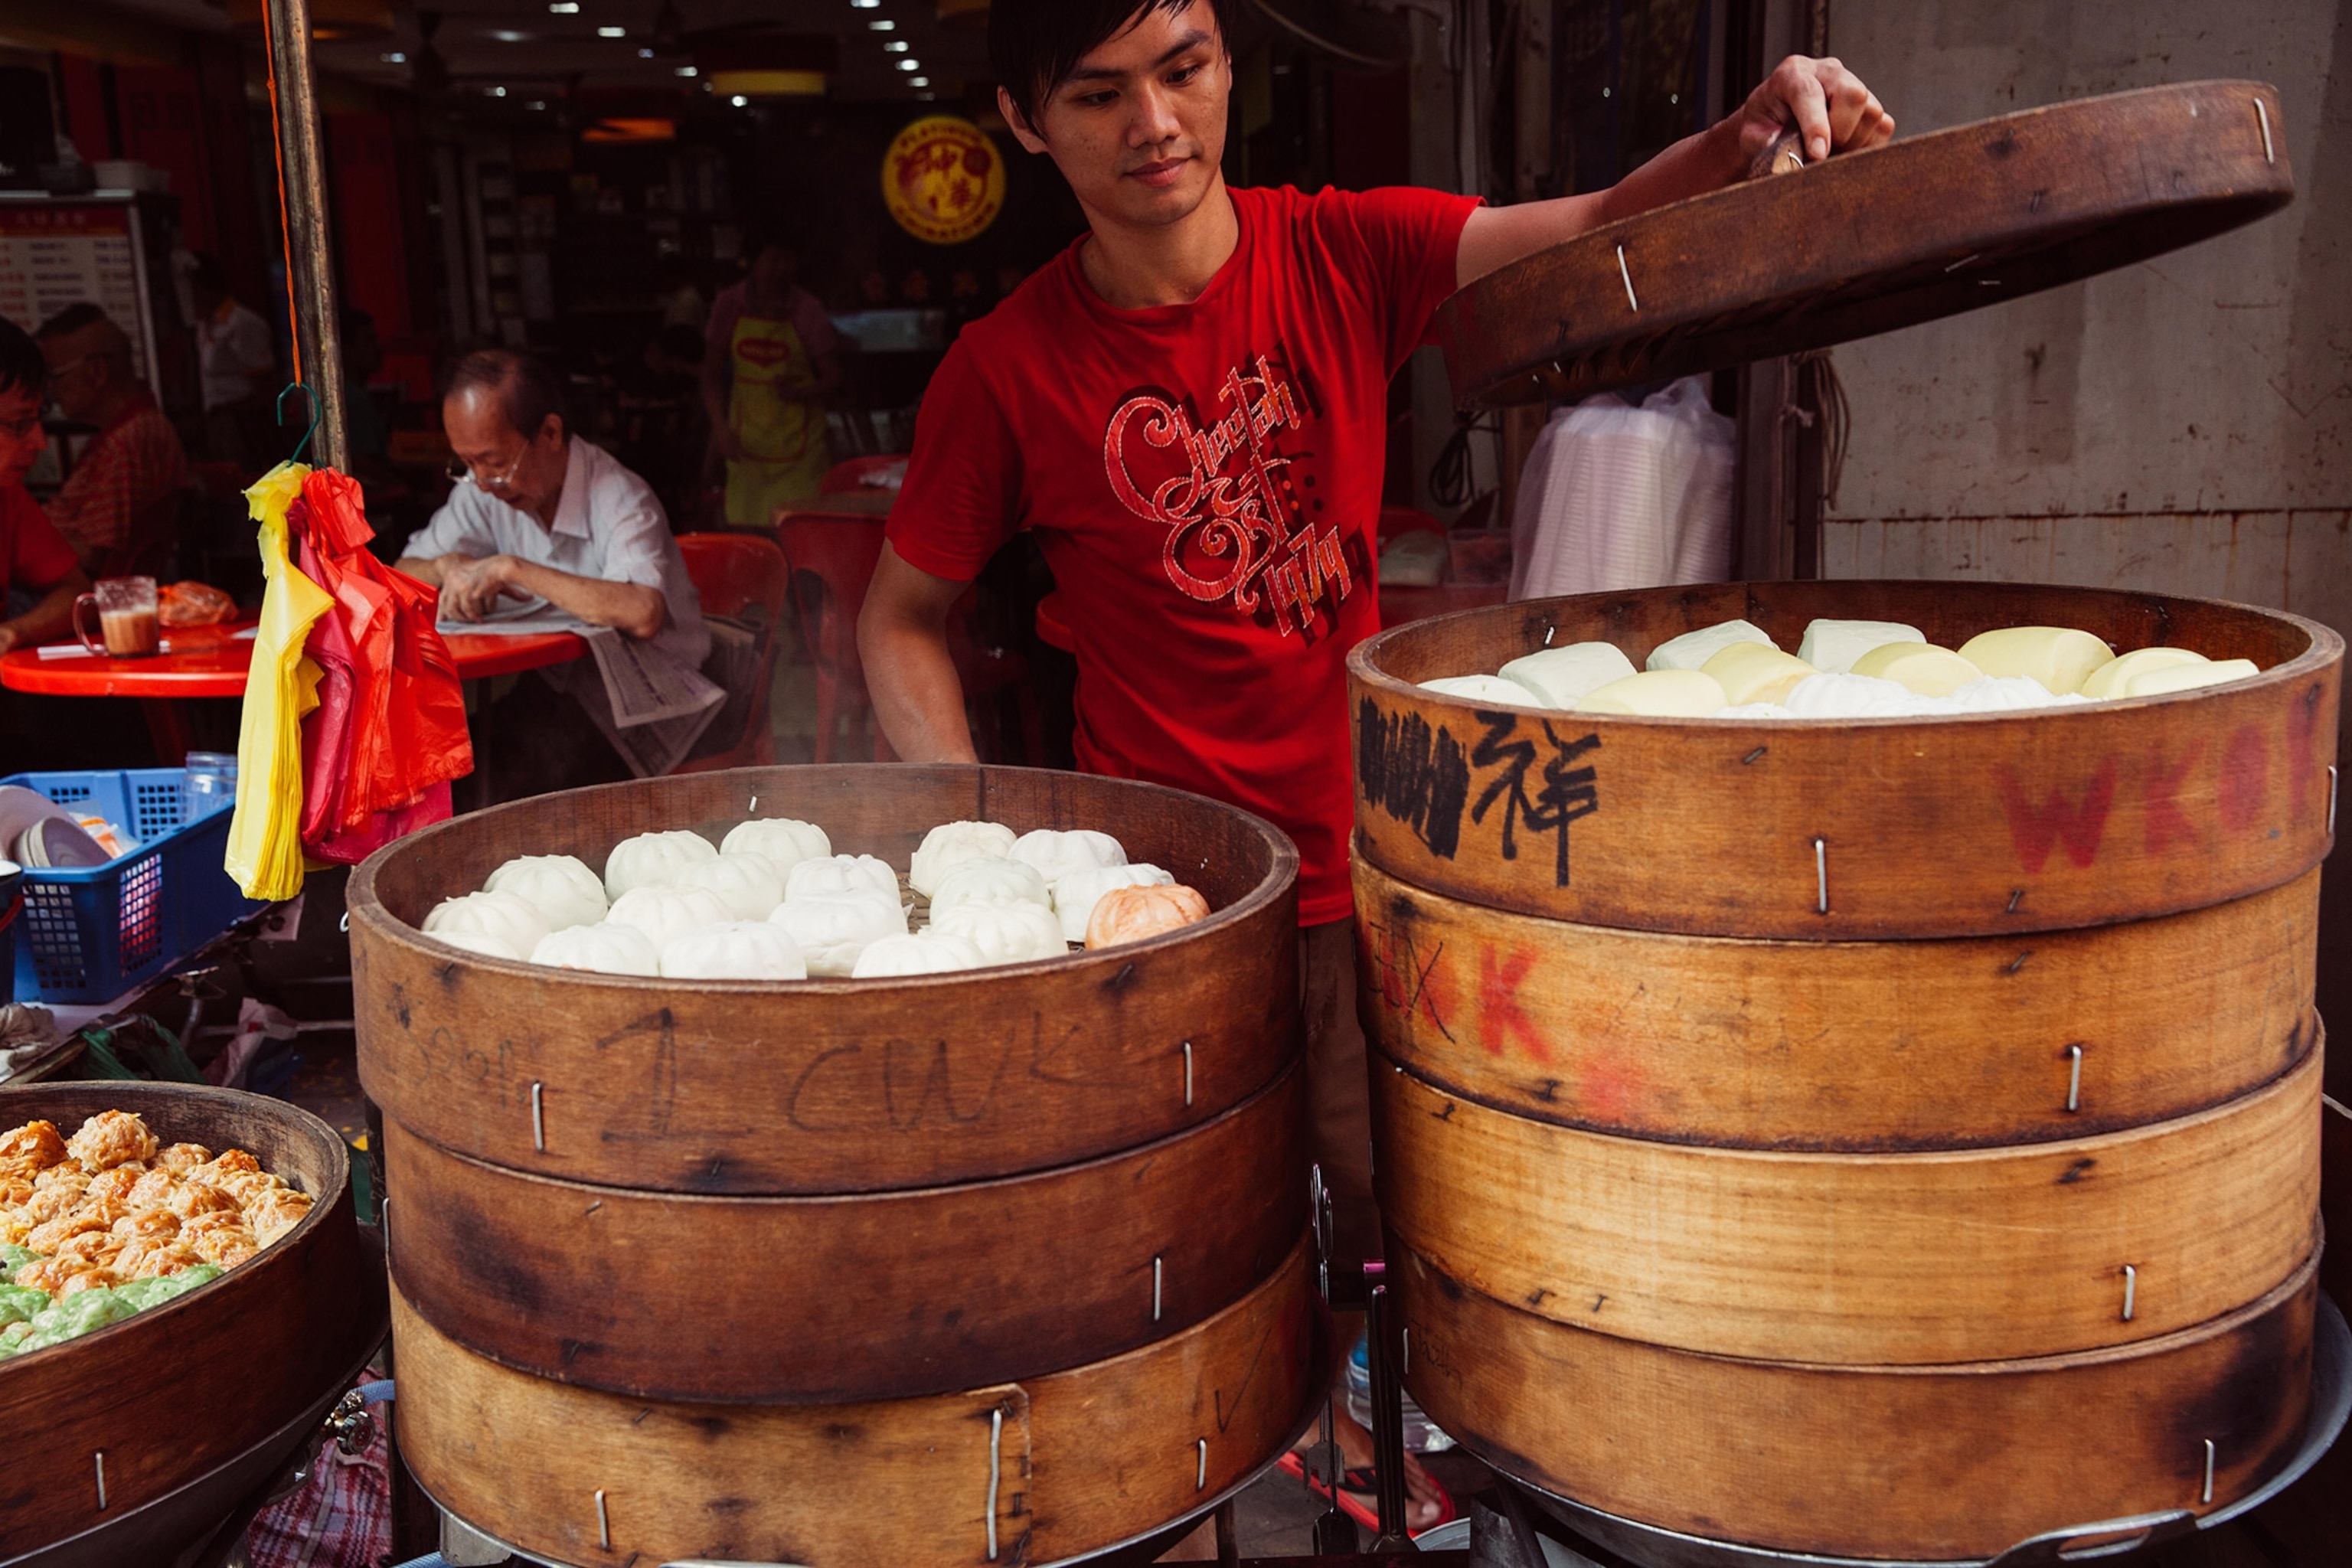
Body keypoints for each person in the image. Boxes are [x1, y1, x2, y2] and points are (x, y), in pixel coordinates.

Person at [858, 0, 1893, 1533]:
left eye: (1185, 70)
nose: (1156, 123)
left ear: (1225, 67)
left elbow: (1601, 222)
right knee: (1182, 1266)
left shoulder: (1338, 249)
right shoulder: (1009, 370)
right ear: (1026, 121)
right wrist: (971, 844)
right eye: (1098, 93)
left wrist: (1747, 135)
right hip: (1169, 921)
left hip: (1383, 873)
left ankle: (1417, 1474)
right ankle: (1221, 1493)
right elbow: (900, 619)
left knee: (1435, 1232)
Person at [397, 349, 710, 803]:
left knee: (512, 792)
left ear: (549, 433)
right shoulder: (485, 489)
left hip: (653, 700)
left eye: (496, 463)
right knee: (440, 769)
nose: (483, 483)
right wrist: (446, 567)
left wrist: (510, 567)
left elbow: (642, 612)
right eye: (469, 464)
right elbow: (401, 572)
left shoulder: (620, 497)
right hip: (556, 687)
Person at [701, 232, 842, 528]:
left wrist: (802, 392)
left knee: (800, 532)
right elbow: (710, 376)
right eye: (774, 259)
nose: (782, 268)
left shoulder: (807, 309)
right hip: (747, 448)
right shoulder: (730, 304)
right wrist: (720, 429)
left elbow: (833, 377)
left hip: (801, 454)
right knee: (749, 538)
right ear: (754, 262)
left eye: (789, 260)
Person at [36, 303, 190, 574]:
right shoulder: (138, 429)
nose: (51, 390)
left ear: (96, 371)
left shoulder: (125, 443)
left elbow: (95, 554)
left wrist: (19, 545)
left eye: (55, 376)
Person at [0, 319, 90, 655]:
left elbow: (76, 593)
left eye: (38, 420)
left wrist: (13, 633)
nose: (39, 442)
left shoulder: (7, 496)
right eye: (20, 424)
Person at [188, 252, 277, 470]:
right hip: (216, 420)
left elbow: (264, 382)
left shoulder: (242, 323)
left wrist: (254, 431)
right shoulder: (203, 325)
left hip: (241, 421)